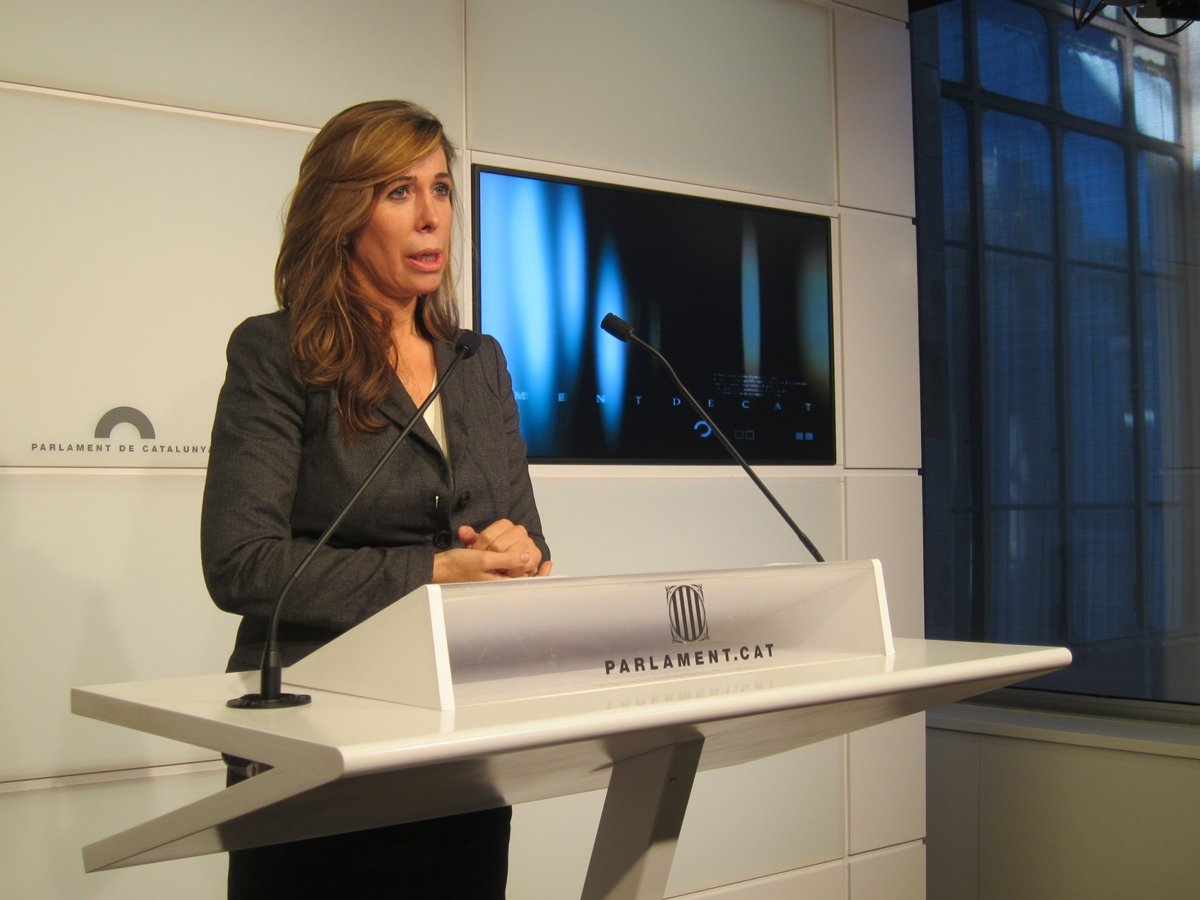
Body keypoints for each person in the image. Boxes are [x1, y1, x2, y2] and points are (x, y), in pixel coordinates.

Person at [200, 99, 551, 899]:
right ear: (344, 214)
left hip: (459, 739)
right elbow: (242, 563)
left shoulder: (479, 362)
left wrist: (521, 558)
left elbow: (528, 543)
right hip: (314, 734)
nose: (431, 217)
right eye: (399, 192)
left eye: (441, 189)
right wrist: (434, 572)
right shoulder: (277, 354)